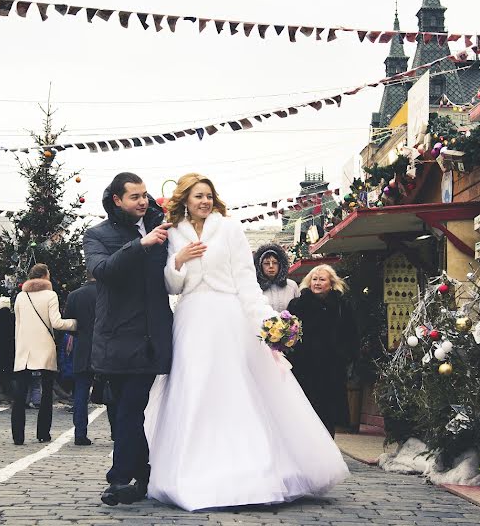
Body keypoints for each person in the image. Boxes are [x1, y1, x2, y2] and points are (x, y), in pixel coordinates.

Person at [145, 173, 348, 511]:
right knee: (192, 389)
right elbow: (171, 286)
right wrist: (178, 262)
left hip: (228, 315)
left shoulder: (228, 228)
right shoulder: (172, 232)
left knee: (235, 389)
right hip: (192, 317)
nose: (205, 201)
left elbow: (245, 281)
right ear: (185, 199)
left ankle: (254, 470)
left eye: (209, 195)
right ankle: (189, 470)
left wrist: (266, 321)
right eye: (198, 196)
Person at [83, 172, 173, 506]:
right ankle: (144, 474)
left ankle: (120, 477)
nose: (143, 201)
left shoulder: (162, 230)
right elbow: (102, 270)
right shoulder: (97, 235)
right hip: (116, 339)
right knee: (121, 409)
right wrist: (140, 245)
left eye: (145, 195)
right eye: (135, 196)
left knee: (131, 409)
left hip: (150, 338)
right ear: (116, 200)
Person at [286, 265, 359, 438]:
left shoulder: (342, 305)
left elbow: (352, 334)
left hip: (331, 370)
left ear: (331, 284)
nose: (317, 282)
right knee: (304, 413)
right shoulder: (297, 304)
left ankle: (327, 452)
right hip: (304, 369)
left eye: (322, 279)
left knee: (328, 414)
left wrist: (345, 356)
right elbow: (288, 333)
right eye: (314, 279)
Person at [10, 263, 77, 445]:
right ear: (45, 277)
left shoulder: (20, 297)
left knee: (20, 393)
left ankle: (18, 435)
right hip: (44, 348)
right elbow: (56, 323)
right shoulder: (50, 295)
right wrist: (75, 323)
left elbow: (18, 325)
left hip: (24, 350)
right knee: (47, 392)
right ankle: (43, 433)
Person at [63, 273, 117, 445]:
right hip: (106, 348)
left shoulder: (74, 295)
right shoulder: (110, 293)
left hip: (83, 348)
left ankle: (80, 433)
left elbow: (69, 324)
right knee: (112, 391)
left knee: (80, 393)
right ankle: (116, 432)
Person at [253, 243, 300, 312]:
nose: (271, 266)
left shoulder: (291, 286)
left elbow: (298, 310)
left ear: (280, 265)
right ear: (260, 266)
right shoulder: (255, 287)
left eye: (275, 263)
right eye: (266, 263)